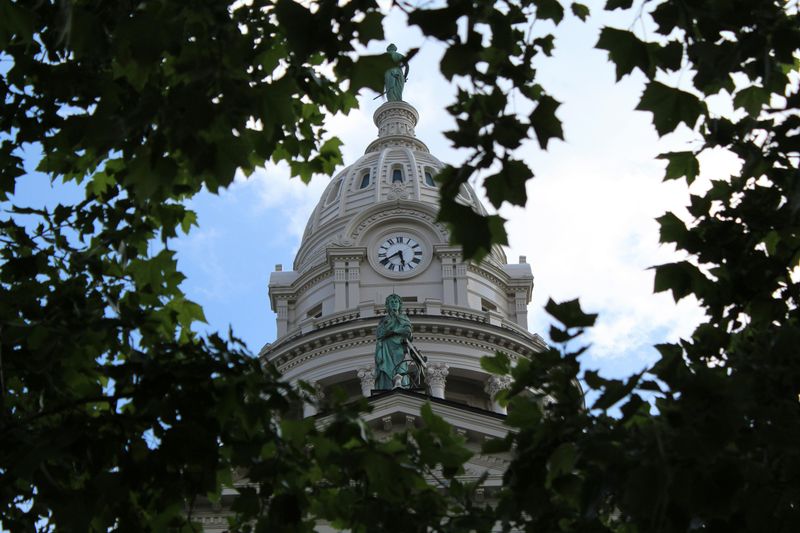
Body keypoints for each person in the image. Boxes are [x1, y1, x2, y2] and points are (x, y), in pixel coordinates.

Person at [374, 294, 413, 389]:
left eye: (396, 302)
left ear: (400, 305)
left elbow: (408, 331)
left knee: (401, 367)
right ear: (387, 305)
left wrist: (393, 331)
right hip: (386, 347)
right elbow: (379, 334)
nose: (394, 304)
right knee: (385, 369)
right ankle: (387, 387)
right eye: (391, 302)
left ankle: (402, 387)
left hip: (399, 347)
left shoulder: (403, 318)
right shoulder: (384, 320)